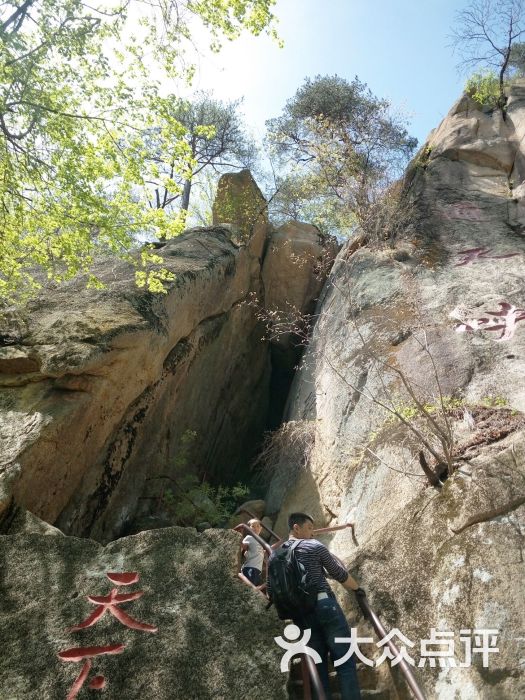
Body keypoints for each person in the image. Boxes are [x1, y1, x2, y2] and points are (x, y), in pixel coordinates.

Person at [270, 512, 362, 700]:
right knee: (344, 660)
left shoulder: (274, 556)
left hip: (301, 617)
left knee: (318, 668)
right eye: (310, 528)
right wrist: (358, 589)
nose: (313, 533)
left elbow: (271, 590)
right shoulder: (312, 546)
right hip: (324, 606)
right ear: (296, 527)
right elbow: (338, 573)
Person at [241, 518, 265, 586]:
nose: (255, 528)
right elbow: (242, 545)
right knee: (250, 588)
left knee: (253, 587)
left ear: (261, 528)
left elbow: (261, 551)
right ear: (249, 528)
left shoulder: (261, 541)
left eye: (258, 526)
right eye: (253, 526)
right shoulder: (249, 537)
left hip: (257, 569)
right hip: (250, 567)